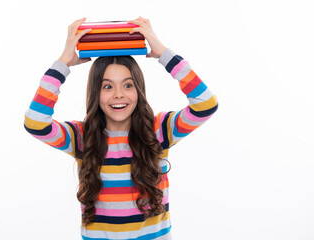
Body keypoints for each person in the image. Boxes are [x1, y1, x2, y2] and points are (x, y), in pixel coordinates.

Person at [24, 17, 218, 240]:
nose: (118, 94)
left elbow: (206, 104)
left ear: (139, 90)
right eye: (107, 86)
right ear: (96, 92)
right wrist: (62, 64)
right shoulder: (81, 137)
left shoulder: (159, 130)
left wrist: (164, 54)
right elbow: (35, 123)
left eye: (128, 85)